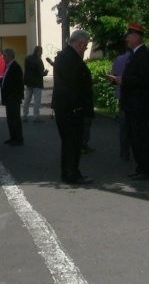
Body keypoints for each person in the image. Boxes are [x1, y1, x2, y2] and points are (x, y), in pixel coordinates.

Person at [113, 23, 149, 180]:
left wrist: (123, 80)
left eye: (129, 35)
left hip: (138, 104)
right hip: (132, 103)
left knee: (141, 138)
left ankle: (147, 170)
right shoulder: (135, 54)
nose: (127, 38)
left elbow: (144, 79)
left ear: (137, 37)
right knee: (135, 138)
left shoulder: (143, 55)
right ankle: (141, 167)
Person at [52, 30, 95, 185]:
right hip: (72, 109)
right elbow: (72, 86)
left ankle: (69, 172)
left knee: (69, 143)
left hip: (65, 108)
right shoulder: (71, 58)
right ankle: (72, 174)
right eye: (85, 45)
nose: (85, 49)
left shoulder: (64, 56)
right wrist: (78, 107)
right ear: (80, 44)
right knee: (73, 143)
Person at [110, 48, 131, 161]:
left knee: (124, 126)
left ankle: (124, 151)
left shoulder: (119, 59)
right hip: (135, 96)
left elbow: (113, 75)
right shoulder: (134, 59)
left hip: (122, 94)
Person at [1, 48, 25, 146]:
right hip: (9, 97)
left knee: (15, 118)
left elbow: (18, 83)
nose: (3, 58)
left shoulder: (15, 67)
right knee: (10, 118)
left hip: (13, 97)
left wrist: (16, 96)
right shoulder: (9, 66)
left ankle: (18, 138)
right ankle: (13, 137)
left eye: (5, 56)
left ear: (10, 56)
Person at [23, 46, 48, 122]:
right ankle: (36, 116)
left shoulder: (27, 58)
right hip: (37, 83)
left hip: (29, 82)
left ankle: (24, 115)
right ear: (39, 52)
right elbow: (41, 73)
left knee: (27, 99)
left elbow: (26, 70)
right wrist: (45, 73)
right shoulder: (38, 60)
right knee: (37, 100)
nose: (42, 53)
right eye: (41, 51)